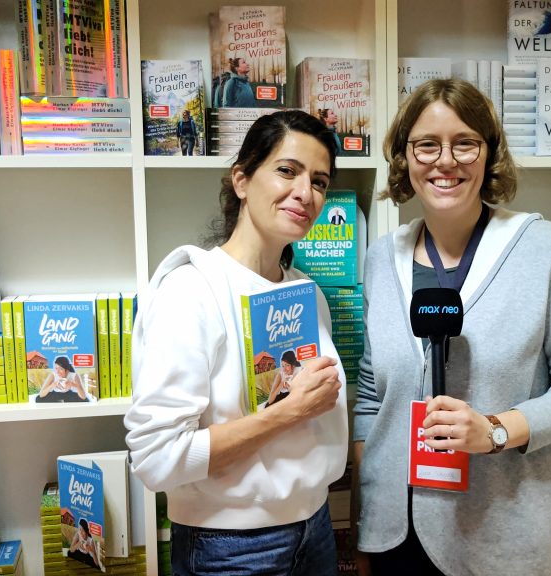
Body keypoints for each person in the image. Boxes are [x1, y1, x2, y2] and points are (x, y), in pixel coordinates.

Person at [352, 78, 551, 576]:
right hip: (395, 538)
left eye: (465, 143)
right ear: (405, 158)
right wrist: (368, 526)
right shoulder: (381, 260)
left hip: (500, 538)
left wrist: (494, 430)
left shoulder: (546, 250)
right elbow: (371, 398)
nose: (445, 161)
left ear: (489, 154)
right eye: (426, 144)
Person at [124, 110, 348, 576]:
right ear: (242, 180)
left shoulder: (306, 292)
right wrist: (287, 412)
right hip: (230, 548)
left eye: (320, 181)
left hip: (317, 529)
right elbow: (157, 459)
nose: (306, 194)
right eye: (287, 171)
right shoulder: (191, 290)